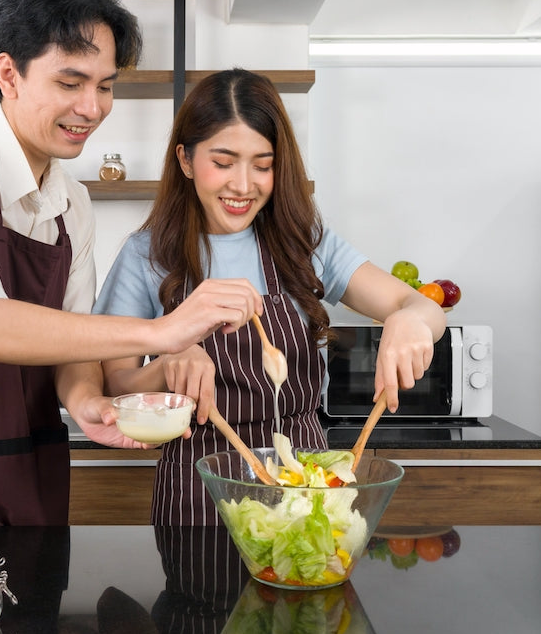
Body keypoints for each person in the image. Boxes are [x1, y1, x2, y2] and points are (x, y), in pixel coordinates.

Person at [0, 0, 262, 526]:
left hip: (30, 478)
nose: (92, 108)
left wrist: (87, 402)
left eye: (105, 86)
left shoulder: (72, 203)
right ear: (9, 75)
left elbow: (71, 343)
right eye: (71, 82)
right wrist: (158, 332)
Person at [93, 68, 447, 525]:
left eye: (263, 165)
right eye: (222, 162)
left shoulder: (306, 242)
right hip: (199, 497)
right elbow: (113, 387)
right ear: (185, 160)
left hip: (309, 491)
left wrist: (410, 320)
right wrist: (164, 367)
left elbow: (421, 307)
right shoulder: (147, 254)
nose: (243, 185)